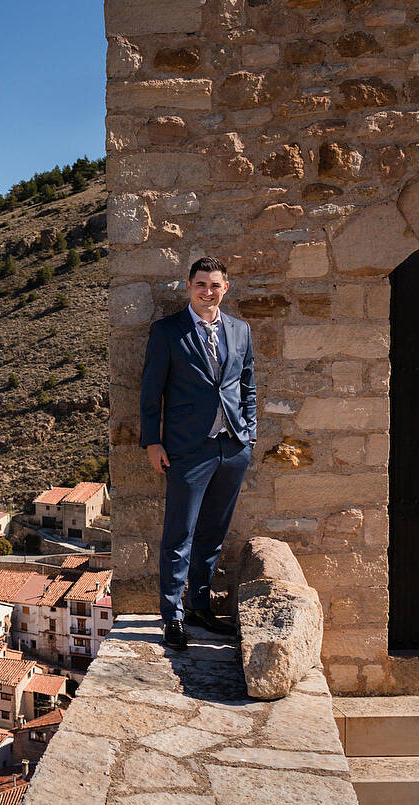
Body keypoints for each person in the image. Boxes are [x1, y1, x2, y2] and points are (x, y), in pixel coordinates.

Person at [139, 256, 257, 650]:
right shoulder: (168, 332)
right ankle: (172, 618)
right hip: (187, 450)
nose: (208, 291)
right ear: (188, 286)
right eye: (200, 284)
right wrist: (152, 442)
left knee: (212, 534)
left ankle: (199, 606)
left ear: (227, 287)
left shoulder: (240, 330)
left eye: (215, 285)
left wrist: (249, 436)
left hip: (232, 448)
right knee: (179, 534)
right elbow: (150, 391)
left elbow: (247, 384)